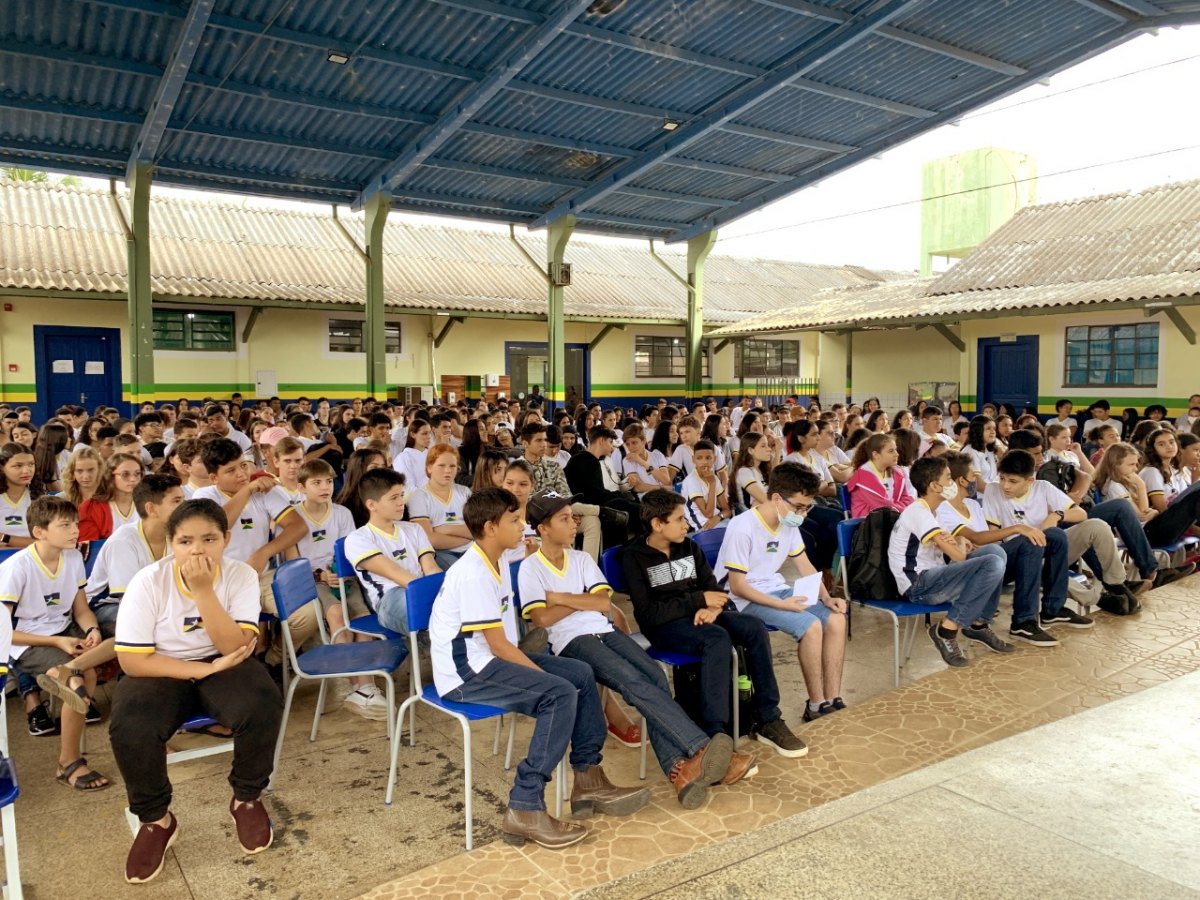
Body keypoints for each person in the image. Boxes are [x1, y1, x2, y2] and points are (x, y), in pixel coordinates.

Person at [429, 487, 649, 848]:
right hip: (465, 673)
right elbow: (499, 645)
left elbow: (501, 644)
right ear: (489, 527)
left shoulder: (495, 556)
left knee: (578, 672)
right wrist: (544, 676)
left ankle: (588, 777)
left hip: (489, 658)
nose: (522, 527)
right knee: (560, 691)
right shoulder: (472, 573)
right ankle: (524, 805)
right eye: (514, 521)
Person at [518, 490, 748, 808]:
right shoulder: (531, 568)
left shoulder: (582, 559)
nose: (574, 524)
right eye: (564, 519)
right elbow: (541, 618)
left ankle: (680, 773)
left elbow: (602, 602)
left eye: (573, 516)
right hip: (571, 641)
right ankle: (700, 747)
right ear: (543, 528)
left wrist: (558, 597)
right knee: (634, 683)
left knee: (654, 675)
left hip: (604, 630)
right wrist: (579, 601)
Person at [110, 499, 282, 883]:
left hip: (224, 662)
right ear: (170, 543)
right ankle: (156, 820)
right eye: (186, 541)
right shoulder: (148, 581)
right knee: (130, 725)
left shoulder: (238, 576)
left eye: (209, 539)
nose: (198, 549)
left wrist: (204, 592)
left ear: (226, 539)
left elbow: (233, 647)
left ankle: (247, 796)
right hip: (159, 667)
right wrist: (198, 670)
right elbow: (132, 662)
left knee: (262, 701)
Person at [622, 489, 807, 758]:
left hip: (703, 614)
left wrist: (710, 606)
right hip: (665, 626)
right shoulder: (634, 556)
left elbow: (713, 588)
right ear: (657, 524)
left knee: (753, 627)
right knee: (716, 639)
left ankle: (768, 717)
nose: (687, 525)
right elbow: (649, 614)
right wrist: (698, 600)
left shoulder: (688, 546)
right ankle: (714, 734)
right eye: (679, 519)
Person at [715, 463, 849, 721]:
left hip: (775, 589)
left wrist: (826, 596)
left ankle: (832, 698)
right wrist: (785, 606)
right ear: (776, 498)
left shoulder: (788, 523)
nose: (803, 513)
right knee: (810, 626)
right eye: (799, 506)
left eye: (807, 507)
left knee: (836, 619)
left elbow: (805, 565)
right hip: (742, 599)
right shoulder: (742, 526)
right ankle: (815, 704)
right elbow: (737, 586)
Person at [0, 496, 112, 791]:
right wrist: (56, 642)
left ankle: (65, 673)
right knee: (83, 675)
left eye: (75, 523)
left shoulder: (73, 557)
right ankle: (68, 762)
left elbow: (81, 609)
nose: (75, 530)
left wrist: (92, 630)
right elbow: (4, 631)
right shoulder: (17, 568)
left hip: (65, 631)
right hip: (26, 641)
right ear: (39, 532)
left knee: (119, 642)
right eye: (65, 525)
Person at [193, 438, 311, 670]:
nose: (241, 473)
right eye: (231, 470)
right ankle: (239, 669)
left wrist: (264, 552)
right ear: (214, 478)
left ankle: (275, 659)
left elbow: (298, 527)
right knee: (229, 631)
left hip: (260, 577)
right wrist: (246, 491)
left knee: (306, 614)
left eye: (243, 465)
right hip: (219, 582)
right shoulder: (203, 497)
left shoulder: (265, 491)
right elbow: (218, 525)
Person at [886, 458, 1008, 667]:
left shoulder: (934, 512)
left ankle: (978, 624)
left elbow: (954, 549)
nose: (954, 484)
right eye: (949, 478)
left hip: (936, 576)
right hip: (919, 585)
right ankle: (947, 630)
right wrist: (958, 543)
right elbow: (958, 556)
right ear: (934, 486)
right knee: (992, 563)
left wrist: (957, 541)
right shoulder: (918, 512)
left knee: (996, 551)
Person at [981, 450, 1116, 636]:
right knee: (1031, 541)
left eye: (1013, 481)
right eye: (1002, 478)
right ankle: (1023, 620)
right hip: (1009, 557)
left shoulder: (1042, 487)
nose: (1005, 485)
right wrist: (1020, 529)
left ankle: (1053, 609)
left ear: (1030, 480)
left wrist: (1056, 514)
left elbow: (1081, 514)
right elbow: (993, 537)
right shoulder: (993, 490)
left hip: (1039, 550)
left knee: (1056, 535)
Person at [292, 458, 387, 718]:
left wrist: (340, 573)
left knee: (363, 619)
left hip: (344, 577)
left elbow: (349, 549)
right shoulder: (295, 516)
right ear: (301, 487)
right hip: (313, 580)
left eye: (328, 481)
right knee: (335, 615)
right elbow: (294, 560)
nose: (325, 487)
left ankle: (364, 686)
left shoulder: (342, 513)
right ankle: (356, 684)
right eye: (316, 483)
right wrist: (321, 575)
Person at [344, 468, 440, 638]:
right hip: (389, 599)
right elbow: (396, 574)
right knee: (438, 621)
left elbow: (430, 568)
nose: (401, 502)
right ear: (371, 505)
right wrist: (434, 596)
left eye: (402, 495)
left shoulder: (414, 529)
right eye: (394, 498)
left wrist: (444, 591)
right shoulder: (358, 539)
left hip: (420, 588)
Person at [408, 443, 473, 570]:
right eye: (441, 465)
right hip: (440, 554)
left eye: (452, 466)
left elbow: (478, 529)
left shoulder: (464, 492)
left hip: (472, 549)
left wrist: (444, 529)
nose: (448, 470)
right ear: (429, 468)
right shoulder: (419, 497)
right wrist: (467, 538)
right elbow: (429, 540)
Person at [78, 453, 144, 541]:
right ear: (110, 476)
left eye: (137, 474)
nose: (133, 479)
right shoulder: (91, 508)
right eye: (125, 474)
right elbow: (89, 547)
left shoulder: (150, 503)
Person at [846, 433, 912, 517]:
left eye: (896, 450)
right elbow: (883, 507)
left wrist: (906, 509)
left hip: (892, 519)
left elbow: (907, 498)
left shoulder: (896, 472)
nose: (897, 454)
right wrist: (908, 511)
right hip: (868, 525)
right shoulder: (863, 476)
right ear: (876, 455)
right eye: (891, 451)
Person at [681, 440, 729, 531]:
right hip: (703, 527)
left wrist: (718, 517)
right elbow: (708, 514)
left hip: (718, 521)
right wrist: (712, 484)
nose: (704, 462)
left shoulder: (713, 477)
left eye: (708, 458)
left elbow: (727, 510)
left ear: (714, 459)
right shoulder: (692, 481)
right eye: (699, 458)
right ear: (693, 459)